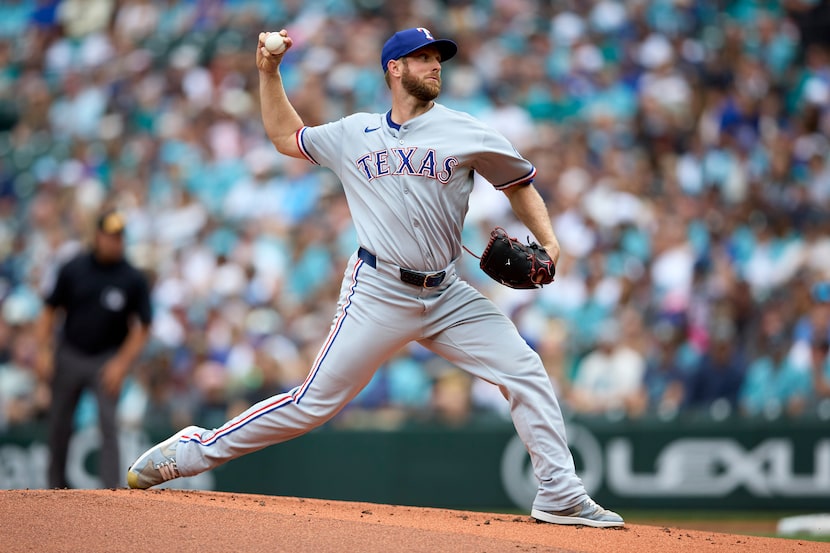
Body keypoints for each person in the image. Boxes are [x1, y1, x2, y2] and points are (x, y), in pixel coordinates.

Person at [127, 27, 624, 528]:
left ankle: (560, 494)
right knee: (311, 405)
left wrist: (549, 242)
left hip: (447, 293)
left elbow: (519, 184)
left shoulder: (467, 131)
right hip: (378, 291)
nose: (435, 65)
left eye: (438, 58)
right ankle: (192, 451)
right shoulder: (354, 133)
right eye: (423, 57)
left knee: (525, 370)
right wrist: (269, 73)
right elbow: (284, 137)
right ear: (395, 68)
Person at [34, 209, 153, 488]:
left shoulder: (131, 277)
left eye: (119, 236)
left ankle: (110, 491)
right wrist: (44, 351)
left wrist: (121, 363)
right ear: (97, 236)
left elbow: (144, 326)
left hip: (107, 358)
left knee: (109, 426)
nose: (115, 242)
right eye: (110, 236)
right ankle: (54, 489)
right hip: (70, 353)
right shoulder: (73, 268)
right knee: (59, 424)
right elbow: (50, 310)